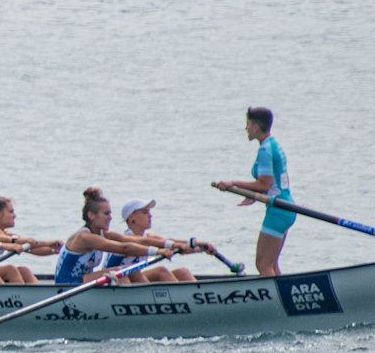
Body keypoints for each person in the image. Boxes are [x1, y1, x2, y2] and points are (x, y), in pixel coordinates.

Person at [212, 106, 293, 276]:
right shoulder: (273, 144)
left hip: (278, 211)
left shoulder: (265, 150)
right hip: (286, 208)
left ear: (256, 126)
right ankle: (286, 298)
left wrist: (232, 183)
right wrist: (252, 196)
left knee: (263, 264)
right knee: (271, 263)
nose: (246, 128)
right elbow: (272, 184)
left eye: (247, 124)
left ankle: (275, 302)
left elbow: (264, 184)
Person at [53, 187, 160, 284]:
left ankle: (148, 300)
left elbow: (134, 240)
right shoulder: (84, 237)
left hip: (84, 282)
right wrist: (157, 251)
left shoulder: (103, 234)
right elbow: (124, 248)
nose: (110, 218)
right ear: (91, 215)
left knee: (130, 269)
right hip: (67, 284)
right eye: (106, 214)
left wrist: (170, 245)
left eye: (110, 213)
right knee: (120, 272)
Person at [106, 199, 206, 284]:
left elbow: (176, 245)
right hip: (114, 282)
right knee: (161, 271)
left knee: (183, 272)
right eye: (145, 212)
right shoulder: (126, 238)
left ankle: (196, 299)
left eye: (149, 212)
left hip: (134, 280)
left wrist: (201, 247)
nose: (150, 216)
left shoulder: (149, 237)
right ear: (132, 218)